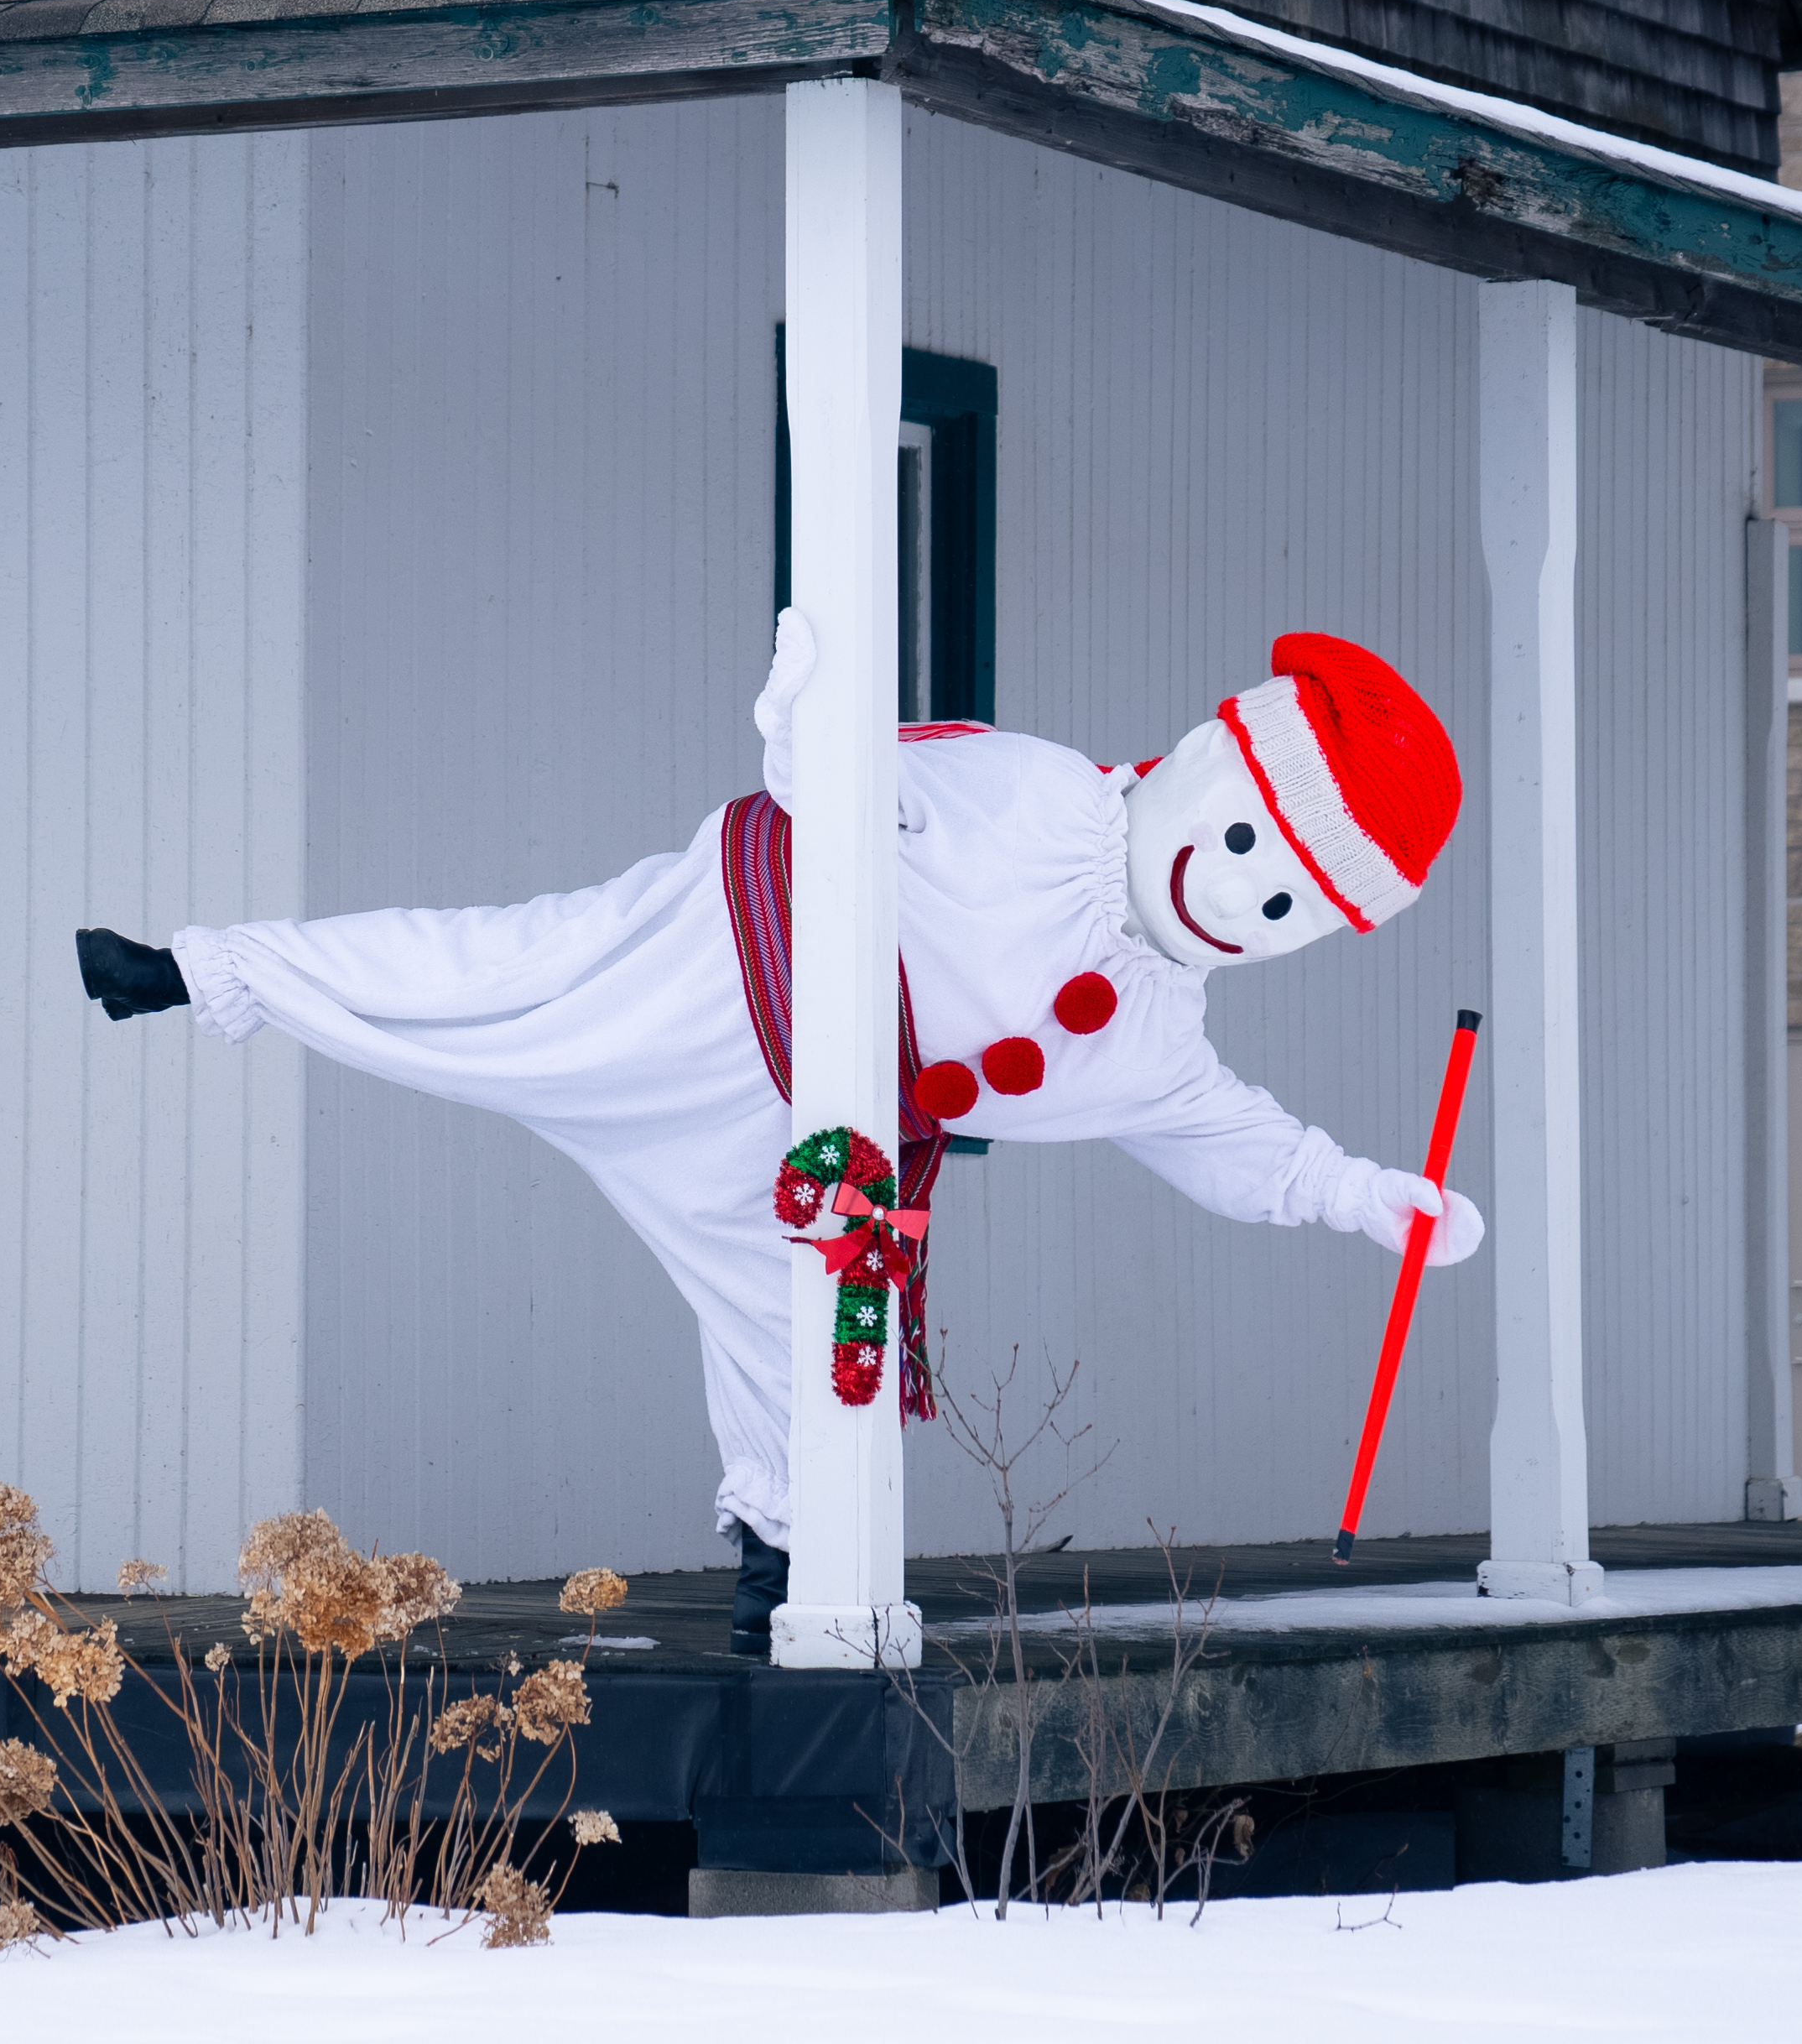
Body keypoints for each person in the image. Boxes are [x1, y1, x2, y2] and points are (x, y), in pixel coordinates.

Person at [78, 614, 1488, 1654]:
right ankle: (199, 970)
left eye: (1287, 906)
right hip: (721, 965)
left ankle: (784, 1573)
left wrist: (1367, 1196)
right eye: (1245, 846)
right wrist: (809, 708)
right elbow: (857, 782)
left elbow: (1232, 1142)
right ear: (1200, 766)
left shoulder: (1154, 1037)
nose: (1241, 898)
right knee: (490, 979)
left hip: (816, 1146)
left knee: (813, 1343)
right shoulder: (1044, 798)